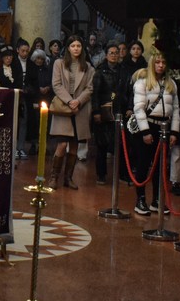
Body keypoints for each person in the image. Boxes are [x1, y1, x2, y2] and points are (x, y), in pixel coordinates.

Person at [127, 50, 180, 216]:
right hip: (147, 126)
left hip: (164, 127)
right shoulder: (142, 83)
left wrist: (174, 132)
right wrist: (145, 131)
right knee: (143, 164)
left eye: (163, 63)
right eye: (157, 62)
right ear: (152, 64)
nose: (160, 65)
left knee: (160, 166)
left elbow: (176, 109)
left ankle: (157, 199)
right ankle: (140, 199)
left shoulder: (171, 84)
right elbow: (138, 108)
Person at [48, 35, 94, 189]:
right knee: (62, 144)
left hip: (80, 109)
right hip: (63, 106)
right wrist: (69, 101)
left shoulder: (88, 67)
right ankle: (54, 177)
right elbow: (56, 84)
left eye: (78, 46)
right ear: (68, 48)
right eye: (73, 46)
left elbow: (89, 88)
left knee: (74, 146)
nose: (76, 48)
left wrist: (78, 101)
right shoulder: (59, 63)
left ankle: (68, 178)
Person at [92, 43, 126, 185]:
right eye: (111, 53)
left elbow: (126, 90)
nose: (114, 55)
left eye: (116, 53)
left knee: (121, 144)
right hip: (104, 111)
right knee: (102, 145)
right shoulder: (100, 71)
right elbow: (95, 93)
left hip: (119, 110)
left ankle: (122, 174)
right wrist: (96, 112)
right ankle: (101, 174)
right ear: (106, 55)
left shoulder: (123, 71)